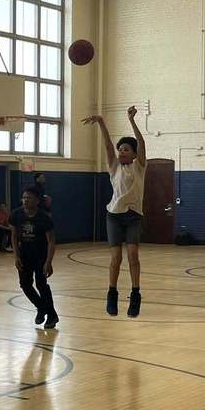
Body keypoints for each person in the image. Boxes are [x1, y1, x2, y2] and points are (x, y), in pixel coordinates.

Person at [83, 105, 146, 318]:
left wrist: (132, 121)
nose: (121, 152)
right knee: (116, 257)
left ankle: (135, 295)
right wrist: (101, 122)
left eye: (126, 149)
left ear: (135, 154)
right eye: (121, 149)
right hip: (114, 216)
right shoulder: (114, 167)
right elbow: (108, 146)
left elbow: (143, 144)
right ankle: (112, 293)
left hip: (133, 216)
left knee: (133, 254)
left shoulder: (139, 167)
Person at [11, 187, 58, 329]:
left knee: (41, 285)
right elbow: (13, 236)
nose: (25, 200)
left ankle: (51, 316)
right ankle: (41, 307)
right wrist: (16, 256)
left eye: (29, 198)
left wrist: (48, 262)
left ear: (37, 201)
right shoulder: (16, 214)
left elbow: (51, 241)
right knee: (25, 285)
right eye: (24, 197)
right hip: (24, 255)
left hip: (40, 256)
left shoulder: (44, 217)